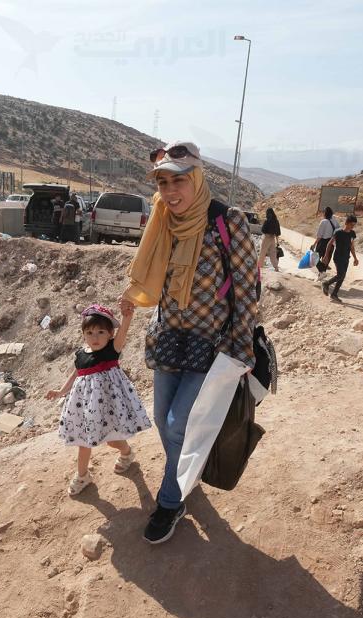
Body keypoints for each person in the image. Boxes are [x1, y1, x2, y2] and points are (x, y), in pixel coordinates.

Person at [118, 141, 259, 544]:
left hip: (212, 345)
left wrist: (240, 346)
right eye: (163, 182)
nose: (170, 191)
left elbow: (248, 290)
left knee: (179, 424)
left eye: (179, 180)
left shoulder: (226, 221)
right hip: (169, 338)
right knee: (163, 421)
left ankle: (171, 500)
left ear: (196, 179)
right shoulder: (162, 220)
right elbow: (152, 274)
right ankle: (184, 474)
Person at [46, 304, 150, 496]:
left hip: (110, 406)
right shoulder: (81, 354)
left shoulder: (112, 348)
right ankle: (82, 475)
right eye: (90, 332)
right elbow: (77, 373)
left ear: (110, 333)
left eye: (101, 332)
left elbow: (124, 329)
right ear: (83, 334)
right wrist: (61, 391)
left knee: (113, 441)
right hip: (86, 406)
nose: (95, 337)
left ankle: (126, 453)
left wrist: (126, 317)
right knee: (84, 441)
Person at [322, 215, 360, 302]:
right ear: (346, 223)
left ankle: (334, 294)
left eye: (354, 225)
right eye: (351, 224)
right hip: (338, 257)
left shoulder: (352, 234)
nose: (352, 226)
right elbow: (329, 244)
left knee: (342, 277)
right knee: (340, 275)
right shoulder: (338, 232)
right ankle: (326, 283)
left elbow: (352, 246)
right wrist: (326, 256)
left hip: (346, 258)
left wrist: (355, 258)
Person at [312, 206, 340, 275]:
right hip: (331, 243)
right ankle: (321, 275)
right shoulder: (335, 222)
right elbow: (338, 232)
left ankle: (321, 272)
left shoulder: (323, 222)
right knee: (326, 260)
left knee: (314, 258)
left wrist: (314, 244)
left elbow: (319, 236)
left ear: (325, 213)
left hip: (323, 242)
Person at [258, 206, 281, 271]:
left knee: (262, 252)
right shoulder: (276, 221)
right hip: (273, 239)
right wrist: (277, 242)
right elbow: (278, 232)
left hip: (267, 238)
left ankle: (259, 267)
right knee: (273, 254)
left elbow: (263, 230)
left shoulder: (267, 221)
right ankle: (276, 267)